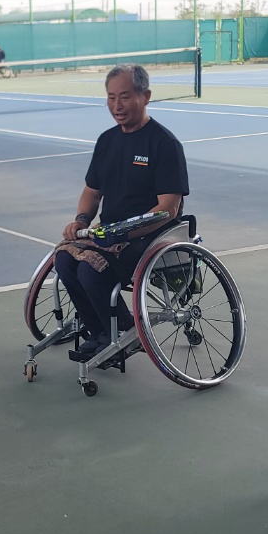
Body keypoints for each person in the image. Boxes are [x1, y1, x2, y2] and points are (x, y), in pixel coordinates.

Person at [54, 64, 189, 357]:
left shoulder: (164, 144)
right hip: (108, 232)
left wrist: (126, 232)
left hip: (150, 235)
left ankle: (125, 334)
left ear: (146, 96)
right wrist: (81, 220)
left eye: (125, 97)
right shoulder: (107, 141)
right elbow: (91, 192)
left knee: (91, 270)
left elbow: (168, 208)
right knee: (64, 260)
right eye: (111, 97)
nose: (117, 105)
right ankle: (100, 331)